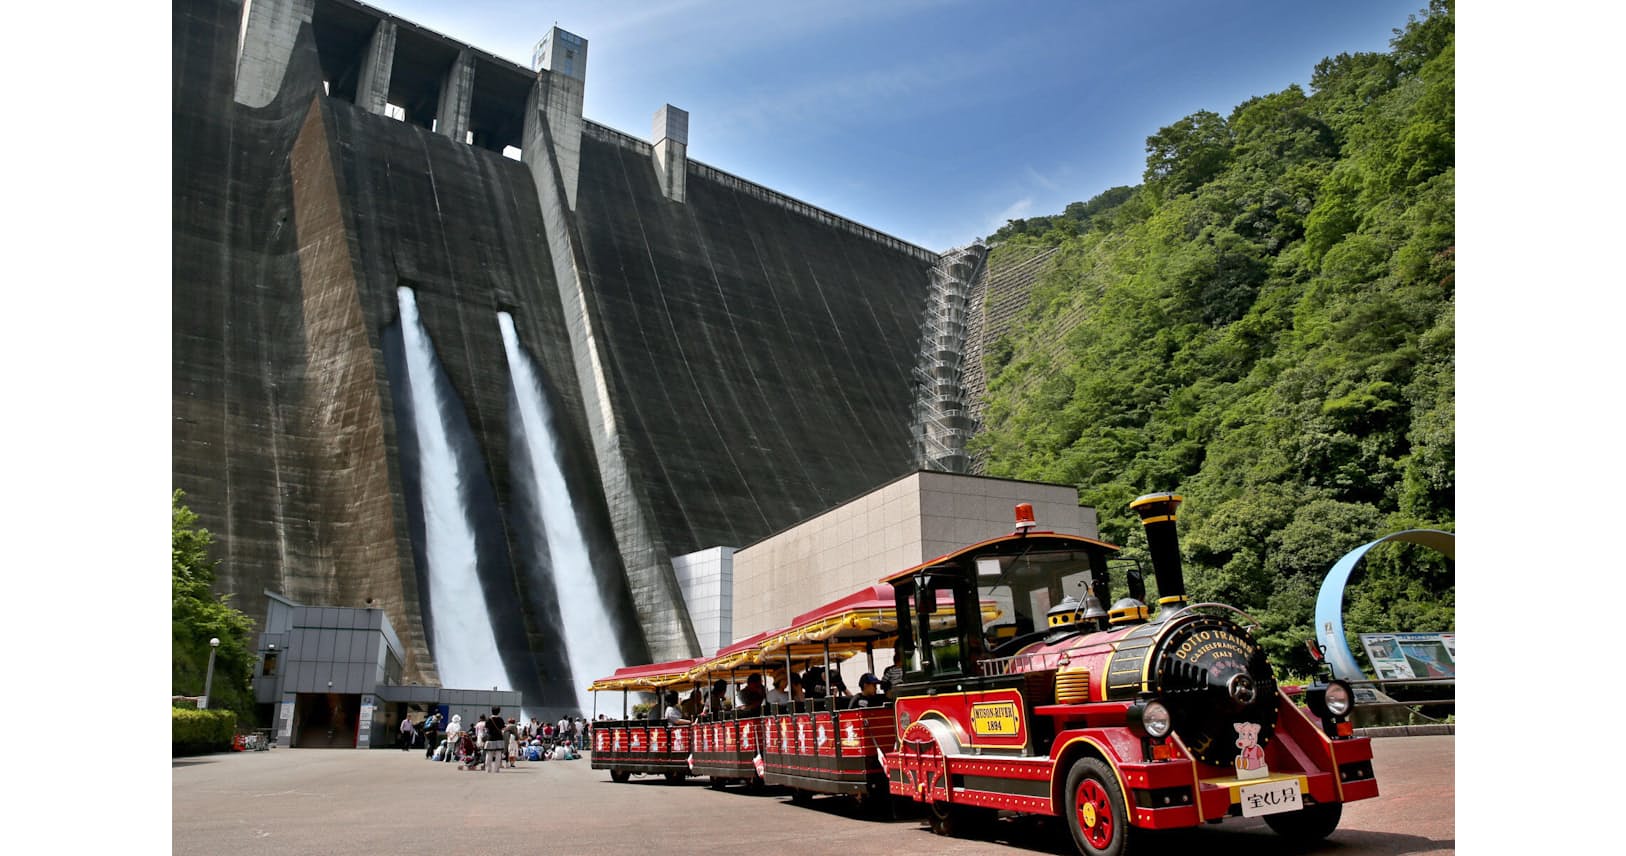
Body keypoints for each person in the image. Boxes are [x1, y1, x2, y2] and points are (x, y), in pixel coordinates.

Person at [483, 708, 507, 773]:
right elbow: (503, 728)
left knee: (489, 754)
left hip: (490, 738)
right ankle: (496, 769)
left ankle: (488, 769)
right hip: (499, 738)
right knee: (498, 754)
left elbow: (486, 728)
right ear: (499, 712)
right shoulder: (500, 719)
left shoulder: (488, 719)